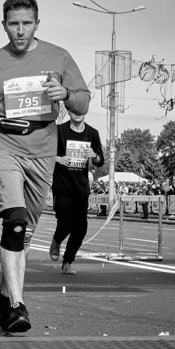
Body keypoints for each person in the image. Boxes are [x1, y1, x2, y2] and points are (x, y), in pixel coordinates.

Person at [0, 0, 90, 333]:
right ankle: (17, 308)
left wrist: (66, 94)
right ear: (4, 25)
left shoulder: (59, 57)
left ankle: (4, 293)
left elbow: (83, 102)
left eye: (27, 23)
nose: (20, 31)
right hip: (2, 143)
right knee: (15, 221)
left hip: (43, 148)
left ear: (37, 24)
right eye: (13, 24)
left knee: (27, 231)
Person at [48, 113, 104, 275]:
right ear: (69, 111)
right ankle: (57, 240)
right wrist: (57, 159)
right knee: (66, 222)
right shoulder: (59, 131)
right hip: (62, 187)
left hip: (81, 189)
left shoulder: (92, 133)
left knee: (80, 228)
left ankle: (68, 262)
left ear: (85, 112)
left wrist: (94, 156)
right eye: (74, 110)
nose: (77, 114)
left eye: (80, 111)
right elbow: (44, 153)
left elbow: (100, 161)